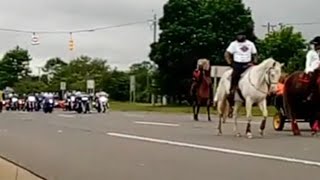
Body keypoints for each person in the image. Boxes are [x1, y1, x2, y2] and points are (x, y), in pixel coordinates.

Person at [225, 31, 258, 108]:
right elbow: (227, 54)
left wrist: (254, 62)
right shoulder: (233, 44)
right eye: (238, 35)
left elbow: (255, 54)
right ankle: (232, 89)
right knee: (234, 76)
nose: (240, 37)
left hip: (248, 64)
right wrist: (230, 63)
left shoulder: (250, 44)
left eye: (241, 35)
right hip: (237, 64)